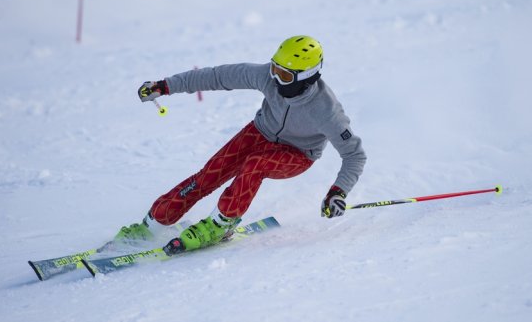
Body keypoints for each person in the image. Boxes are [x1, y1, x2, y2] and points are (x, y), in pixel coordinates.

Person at [115, 35, 367, 251]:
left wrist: (338, 192)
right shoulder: (267, 77)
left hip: (299, 153)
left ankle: (221, 224)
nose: (276, 79)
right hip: (260, 132)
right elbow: (218, 76)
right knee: (208, 175)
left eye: (285, 75)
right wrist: (166, 86)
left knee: (254, 165)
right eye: (274, 69)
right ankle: (152, 223)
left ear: (307, 77)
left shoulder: (327, 111)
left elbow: (354, 155)